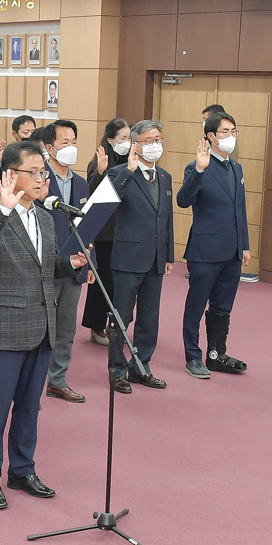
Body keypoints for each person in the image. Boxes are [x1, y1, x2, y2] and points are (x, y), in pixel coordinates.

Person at [0, 142, 91, 509]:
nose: (41, 179)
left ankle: (22, 470)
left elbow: (44, 268)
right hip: (6, 328)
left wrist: (68, 264)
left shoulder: (45, 217)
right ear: (10, 175)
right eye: (33, 172)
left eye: (43, 173)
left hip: (42, 327)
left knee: (28, 409)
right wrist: (3, 210)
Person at [99, 120, 174, 393]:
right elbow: (106, 204)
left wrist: (169, 255)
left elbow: (167, 218)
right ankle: (117, 370)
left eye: (158, 139)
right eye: (148, 140)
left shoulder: (165, 176)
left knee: (149, 318)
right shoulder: (120, 172)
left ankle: (141, 367)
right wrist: (128, 172)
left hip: (156, 258)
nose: (155, 145)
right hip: (128, 256)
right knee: (121, 317)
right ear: (135, 144)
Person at [178, 110, 250, 379]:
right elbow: (183, 200)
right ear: (210, 136)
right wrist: (199, 170)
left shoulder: (236, 168)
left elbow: (240, 209)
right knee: (196, 307)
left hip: (232, 251)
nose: (231, 136)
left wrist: (244, 245)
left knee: (222, 306)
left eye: (233, 131)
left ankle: (216, 354)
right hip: (205, 251)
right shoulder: (197, 166)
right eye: (225, 132)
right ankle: (193, 356)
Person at [38, 120, 92, 403]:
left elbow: (88, 226)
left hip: (75, 265)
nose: (71, 147)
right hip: (44, 266)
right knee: (40, 327)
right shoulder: (38, 179)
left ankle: (57, 380)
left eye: (74, 142)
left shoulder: (81, 183)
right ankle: (33, 380)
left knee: (67, 328)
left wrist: (90, 262)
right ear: (50, 148)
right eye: (64, 143)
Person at [83, 119, 133, 346]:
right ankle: (96, 325)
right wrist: (101, 173)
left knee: (122, 283)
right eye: (123, 138)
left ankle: (116, 324)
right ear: (111, 140)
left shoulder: (131, 159)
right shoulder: (100, 160)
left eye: (129, 138)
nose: (127, 142)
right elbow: (92, 195)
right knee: (103, 281)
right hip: (106, 233)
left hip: (126, 230)